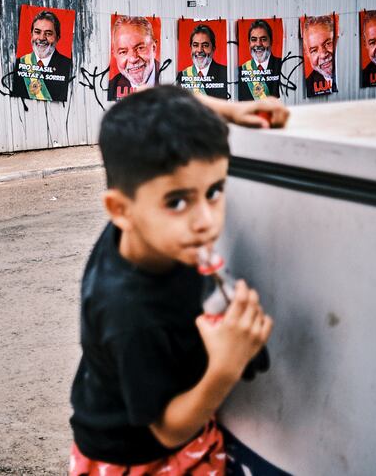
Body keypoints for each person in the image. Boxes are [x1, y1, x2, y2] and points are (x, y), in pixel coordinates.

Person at [69, 85, 287, 475]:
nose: (206, 220)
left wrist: (231, 111)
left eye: (215, 191)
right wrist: (226, 366)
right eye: (178, 202)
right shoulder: (129, 313)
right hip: (140, 457)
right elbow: (168, 430)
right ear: (120, 209)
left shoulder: (150, 228)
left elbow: (156, 95)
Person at [12, 10, 73, 102]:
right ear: (31, 34)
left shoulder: (68, 66)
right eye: (37, 32)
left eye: (48, 34)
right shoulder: (19, 64)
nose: (41, 38)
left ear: (58, 38)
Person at [108, 16, 160, 101]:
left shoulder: (173, 79)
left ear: (153, 48)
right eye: (123, 52)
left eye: (140, 48)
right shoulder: (111, 88)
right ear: (115, 55)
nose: (133, 59)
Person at [178, 25, 228, 99]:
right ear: (191, 48)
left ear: (213, 48)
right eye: (195, 45)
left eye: (205, 45)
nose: (199, 50)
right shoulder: (181, 76)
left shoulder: (226, 74)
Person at [238, 20, 282, 100]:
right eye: (254, 40)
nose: (258, 44)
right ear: (249, 43)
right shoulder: (239, 71)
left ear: (271, 41)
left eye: (263, 39)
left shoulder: (282, 65)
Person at [303, 15, 337, 97]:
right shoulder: (308, 85)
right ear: (307, 54)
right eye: (314, 50)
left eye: (328, 43)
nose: (323, 55)